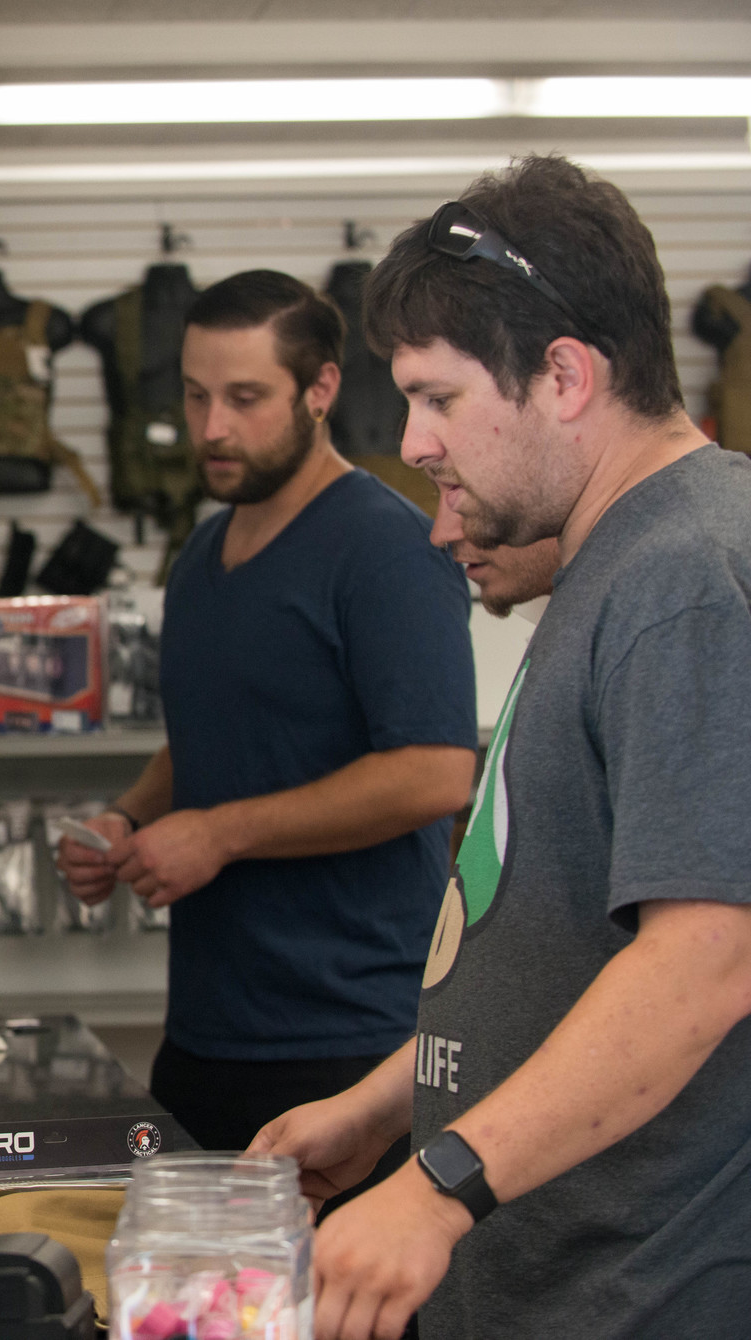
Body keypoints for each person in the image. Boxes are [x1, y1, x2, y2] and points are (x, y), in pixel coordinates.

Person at [250, 154, 751, 1340]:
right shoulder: (611, 565)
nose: (413, 442)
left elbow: (704, 959)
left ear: (564, 376)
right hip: (540, 1278)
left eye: (434, 396)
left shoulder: (688, 577)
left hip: (637, 1293)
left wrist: (435, 1186)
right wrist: (388, 1107)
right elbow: (551, 935)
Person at [56, 270, 477, 1164]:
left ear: (320, 389)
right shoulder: (203, 551)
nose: (212, 427)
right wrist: (128, 817)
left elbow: (435, 772)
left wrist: (221, 835)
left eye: (246, 398)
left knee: (334, 1310)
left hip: (350, 1046)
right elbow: (213, 731)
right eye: (197, 395)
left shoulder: (386, 548)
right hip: (208, 1035)